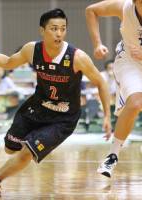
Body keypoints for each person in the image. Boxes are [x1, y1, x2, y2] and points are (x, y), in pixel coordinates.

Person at [0, 8, 111, 197]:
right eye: (53, 28)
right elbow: (10, 62)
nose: (59, 33)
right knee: (10, 149)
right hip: (36, 108)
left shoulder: (77, 57)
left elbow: (101, 82)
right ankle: (16, 150)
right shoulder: (32, 49)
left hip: (63, 118)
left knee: (28, 151)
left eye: (63, 28)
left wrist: (107, 115)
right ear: (42, 30)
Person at [85, 0, 142, 178]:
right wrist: (97, 44)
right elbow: (91, 11)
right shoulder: (124, 7)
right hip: (130, 62)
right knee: (135, 103)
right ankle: (112, 156)